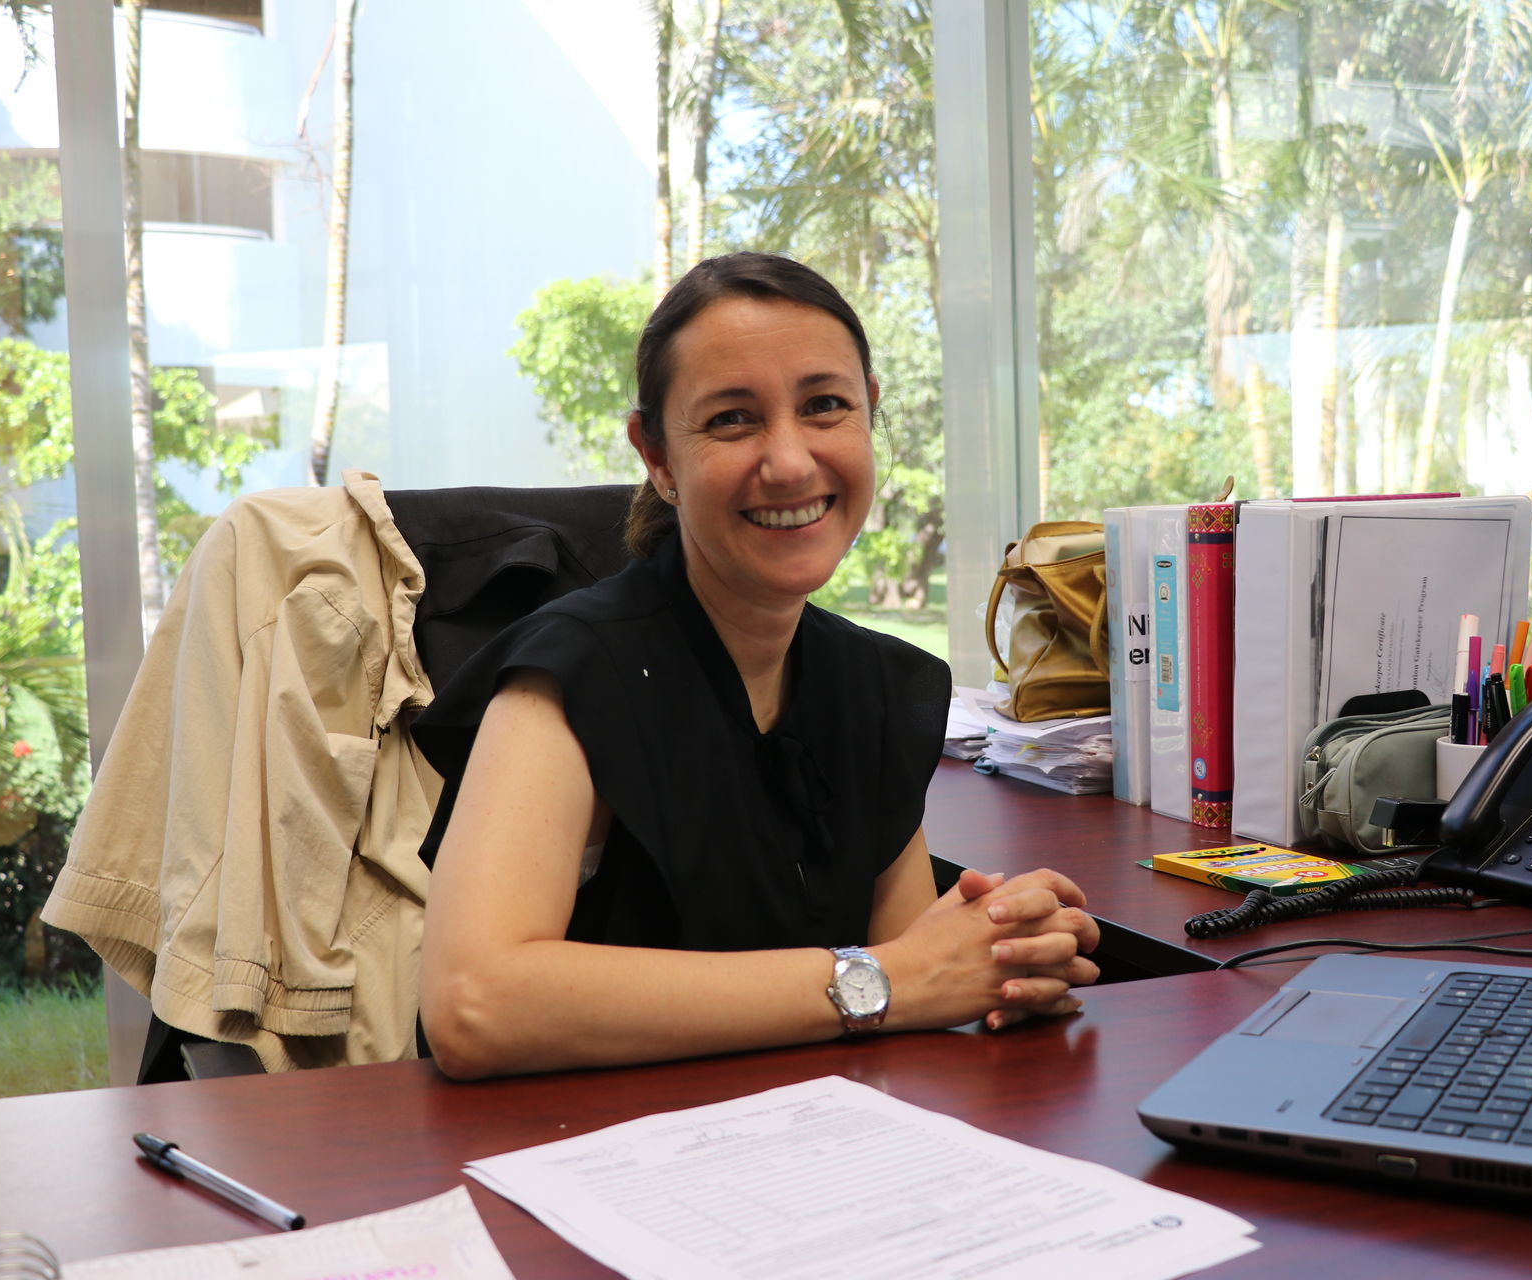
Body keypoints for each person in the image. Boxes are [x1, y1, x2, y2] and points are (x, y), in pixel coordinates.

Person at [413, 252, 1098, 1080]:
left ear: (869, 415)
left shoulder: (875, 685)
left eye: (825, 406)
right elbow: (473, 1004)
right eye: (733, 420)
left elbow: (911, 981)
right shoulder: (571, 673)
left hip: (811, 1156)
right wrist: (895, 981)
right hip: (598, 1157)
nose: (790, 461)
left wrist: (997, 963)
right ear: (658, 457)